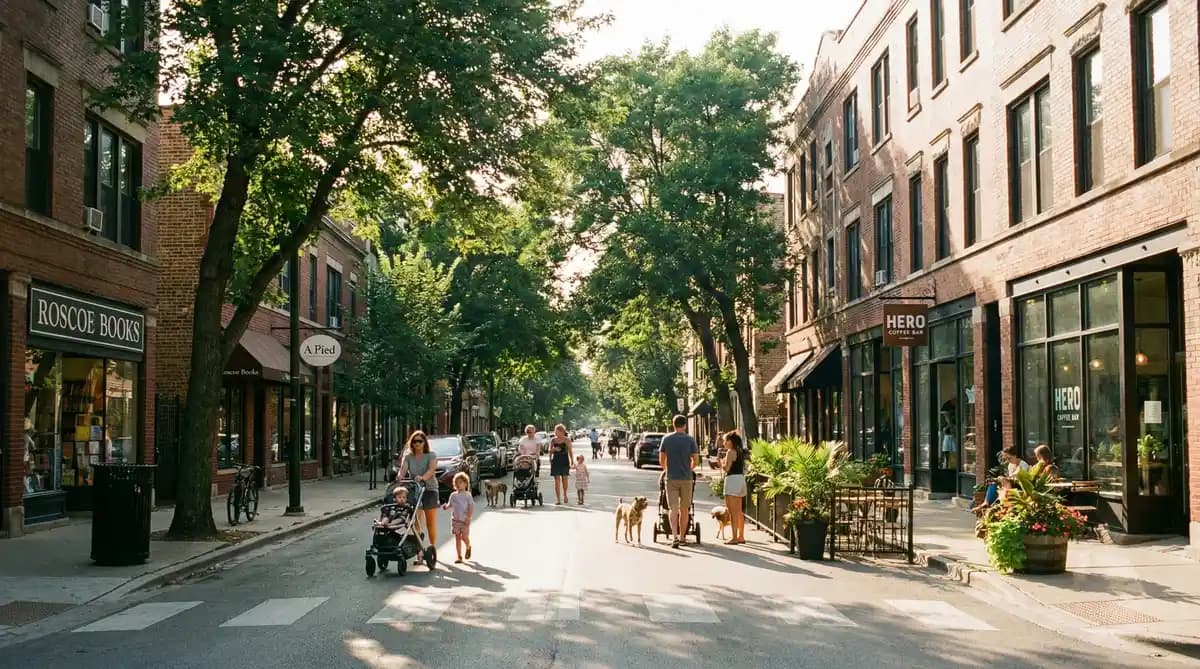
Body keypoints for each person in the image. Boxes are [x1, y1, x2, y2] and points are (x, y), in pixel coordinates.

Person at [659, 414, 698, 549]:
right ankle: (682, 537)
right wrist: (689, 468)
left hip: (671, 478)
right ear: (685, 425)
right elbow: (696, 459)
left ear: (673, 424)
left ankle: (674, 536)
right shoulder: (690, 440)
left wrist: (667, 469)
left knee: (673, 508)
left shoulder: (666, 439)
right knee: (684, 509)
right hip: (686, 478)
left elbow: (662, 459)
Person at [398, 430, 441, 551]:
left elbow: (431, 470)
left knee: (430, 522)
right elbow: (402, 470)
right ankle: (419, 552)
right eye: (415, 441)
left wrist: (422, 478)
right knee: (416, 522)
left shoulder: (431, 455)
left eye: (420, 441)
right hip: (415, 490)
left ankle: (432, 548)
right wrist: (399, 477)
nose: (417, 444)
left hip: (429, 489)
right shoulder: (408, 456)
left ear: (424, 443)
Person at [720, 431, 747, 545]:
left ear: (731, 442)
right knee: (739, 511)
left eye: (726, 440)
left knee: (732, 512)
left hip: (732, 480)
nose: (724, 443)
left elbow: (727, 469)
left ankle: (734, 537)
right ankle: (741, 536)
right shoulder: (740, 451)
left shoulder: (730, 452)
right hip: (740, 479)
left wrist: (721, 463)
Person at [442, 472, 474, 563]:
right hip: (455, 520)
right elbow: (450, 505)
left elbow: (471, 507)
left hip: (464, 520)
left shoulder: (468, 495)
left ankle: (468, 546)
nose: (458, 485)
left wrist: (469, 517)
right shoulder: (453, 495)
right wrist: (446, 507)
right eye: (457, 483)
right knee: (457, 537)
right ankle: (459, 556)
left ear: (465, 483)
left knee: (464, 537)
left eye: (460, 482)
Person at [548, 424, 574, 505]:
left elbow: (570, 450)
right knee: (557, 481)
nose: (556, 432)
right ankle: (558, 499)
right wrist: (553, 450)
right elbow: (549, 450)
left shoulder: (567, 440)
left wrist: (572, 460)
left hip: (564, 460)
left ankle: (565, 494)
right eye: (555, 431)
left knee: (564, 479)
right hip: (556, 460)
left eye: (558, 431)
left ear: (562, 431)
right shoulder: (553, 440)